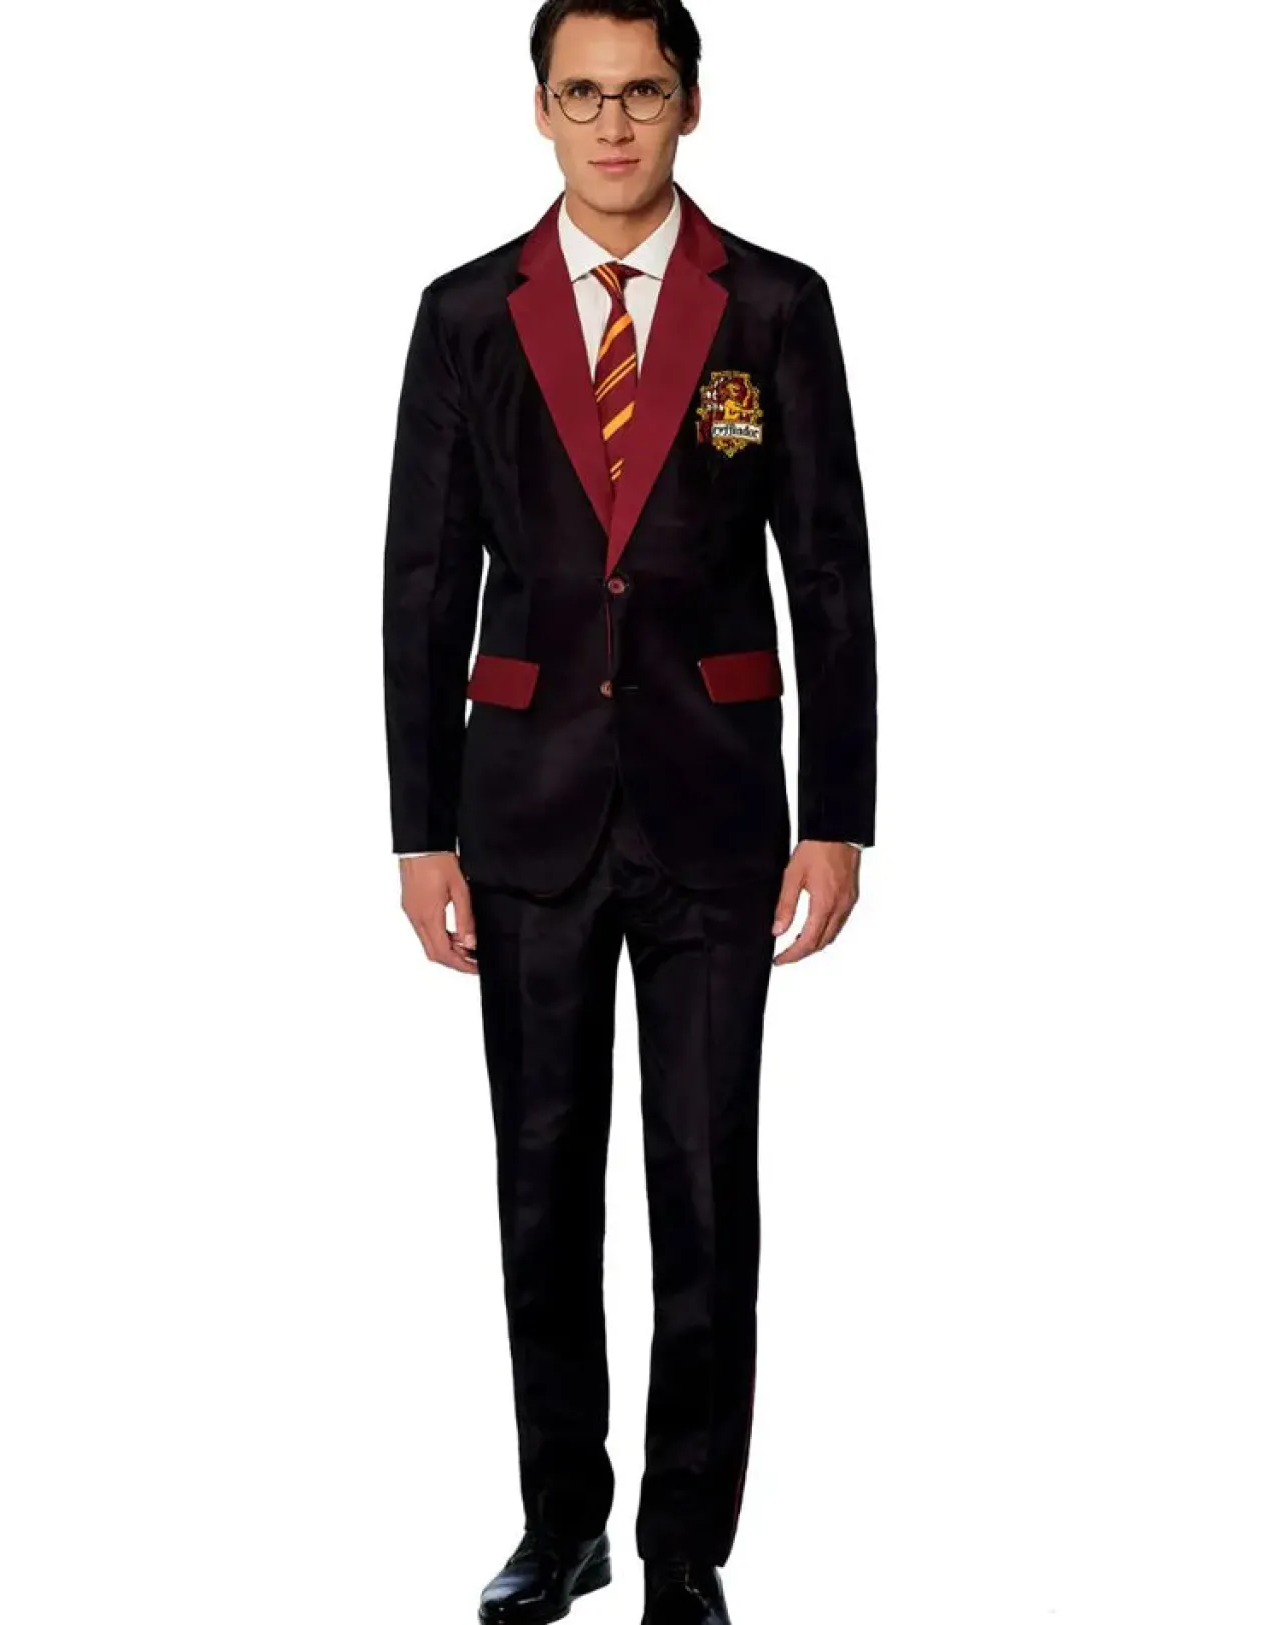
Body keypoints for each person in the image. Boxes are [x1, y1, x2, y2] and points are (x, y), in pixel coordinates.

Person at [381, 2, 877, 1619]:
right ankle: (562, 1523)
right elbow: (421, 581)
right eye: (582, 94)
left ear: (691, 106)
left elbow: (830, 568)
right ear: (538, 110)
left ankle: (683, 1549)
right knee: (539, 1185)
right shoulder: (468, 313)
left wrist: (838, 814)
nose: (612, 125)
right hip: (521, 810)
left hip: (720, 807)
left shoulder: (776, 307)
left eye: (642, 93)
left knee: (706, 1186)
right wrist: (420, 830)